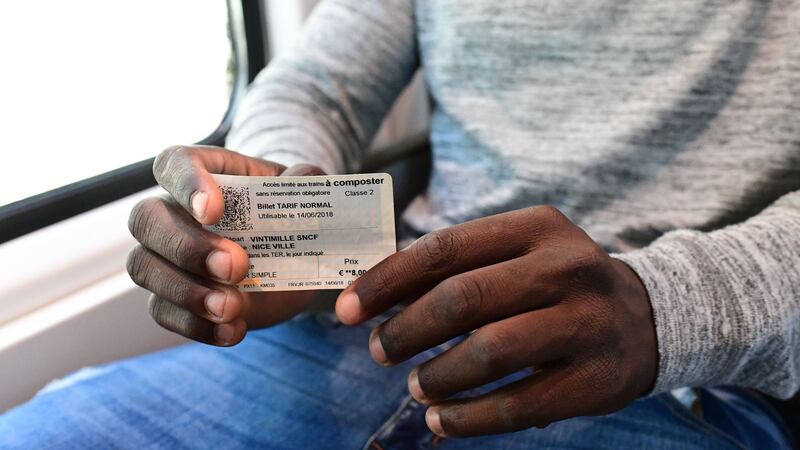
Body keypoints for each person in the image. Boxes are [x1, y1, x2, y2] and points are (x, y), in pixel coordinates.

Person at [1, 0, 798, 448]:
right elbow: (313, 85)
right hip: (377, 327)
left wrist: (662, 309)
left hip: (683, 380)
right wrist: (284, 213)